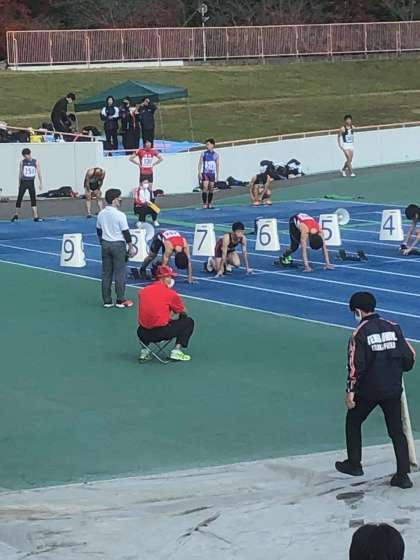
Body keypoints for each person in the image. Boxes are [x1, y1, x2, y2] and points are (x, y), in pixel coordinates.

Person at [335, 292, 416, 489]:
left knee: (353, 421)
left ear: (357, 311)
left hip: (369, 390)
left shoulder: (359, 333)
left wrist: (350, 391)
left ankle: (354, 464)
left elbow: (355, 365)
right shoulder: (393, 326)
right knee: (397, 431)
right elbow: (409, 356)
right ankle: (403, 475)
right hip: (393, 388)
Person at [137, 265, 194, 362]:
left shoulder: (143, 291)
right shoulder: (171, 294)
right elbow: (183, 311)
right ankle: (176, 351)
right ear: (162, 278)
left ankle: (144, 350)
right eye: (169, 277)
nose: (171, 280)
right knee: (188, 322)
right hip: (161, 333)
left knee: (146, 320)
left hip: (142, 333)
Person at [96, 189, 135, 308]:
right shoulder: (120, 215)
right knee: (120, 273)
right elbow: (126, 232)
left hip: (105, 244)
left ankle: (107, 300)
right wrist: (131, 247)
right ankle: (120, 300)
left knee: (106, 273)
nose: (120, 200)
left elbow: (98, 230)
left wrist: (102, 242)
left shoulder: (101, 213)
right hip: (118, 245)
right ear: (114, 200)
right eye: (119, 198)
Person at [11, 148, 43, 222]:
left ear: (29, 154)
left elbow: (39, 173)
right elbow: (20, 173)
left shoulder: (35, 162)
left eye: (26, 156)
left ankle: (36, 216)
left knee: (33, 198)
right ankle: (16, 215)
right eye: (24, 156)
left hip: (31, 182)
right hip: (24, 182)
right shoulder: (22, 162)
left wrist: (40, 183)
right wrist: (19, 183)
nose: (26, 157)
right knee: (19, 197)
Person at [198, 138, 220, 209]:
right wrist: (199, 172)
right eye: (206, 145)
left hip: (212, 173)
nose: (206, 146)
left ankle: (209, 203)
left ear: (212, 145)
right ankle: (204, 204)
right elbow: (200, 163)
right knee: (205, 187)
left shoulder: (216, 155)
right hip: (205, 173)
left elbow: (217, 165)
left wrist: (217, 176)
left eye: (208, 144)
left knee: (211, 188)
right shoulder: (203, 154)